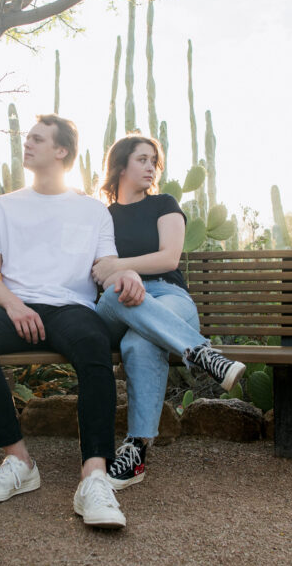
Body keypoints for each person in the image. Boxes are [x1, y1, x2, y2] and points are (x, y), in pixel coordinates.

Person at [0, 114, 146, 529]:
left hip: (71, 310)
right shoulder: (2, 207)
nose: (27, 144)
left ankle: (95, 477)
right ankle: (18, 462)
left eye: (37, 139)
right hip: (16, 307)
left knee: (94, 344)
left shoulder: (93, 211)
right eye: (28, 138)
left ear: (62, 151)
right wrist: (14, 305)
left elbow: (105, 266)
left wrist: (125, 274)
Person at [92, 134, 246, 490]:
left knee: (139, 345)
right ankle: (202, 352)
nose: (150, 167)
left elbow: (168, 258)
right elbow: (98, 271)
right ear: (120, 165)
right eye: (142, 160)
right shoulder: (100, 217)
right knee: (117, 292)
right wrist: (123, 276)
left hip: (168, 295)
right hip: (116, 304)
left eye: (153, 162)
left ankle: (136, 449)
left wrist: (121, 266)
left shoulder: (164, 204)